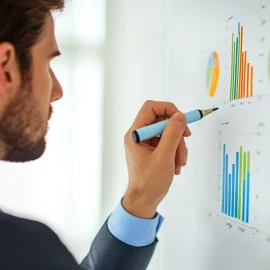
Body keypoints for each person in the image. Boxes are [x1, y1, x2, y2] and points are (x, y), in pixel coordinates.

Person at [0, 1, 191, 269]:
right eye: (47, 63)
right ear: (6, 67)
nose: (57, 90)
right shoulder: (24, 250)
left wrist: (140, 198)